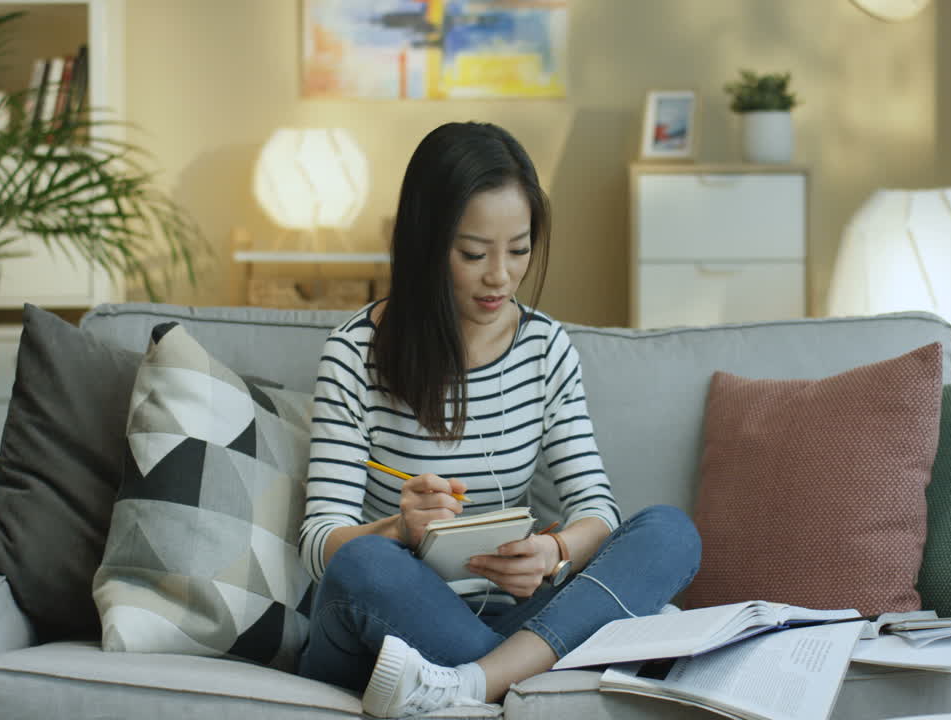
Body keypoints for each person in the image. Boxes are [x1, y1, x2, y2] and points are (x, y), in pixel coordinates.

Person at [296, 121, 701, 717]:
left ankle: (468, 688)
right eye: (472, 253)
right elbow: (318, 545)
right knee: (365, 563)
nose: (500, 277)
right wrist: (401, 531)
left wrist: (554, 552)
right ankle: (551, 667)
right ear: (426, 243)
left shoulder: (545, 349)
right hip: (380, 628)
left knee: (670, 532)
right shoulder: (354, 353)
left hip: (506, 619)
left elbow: (596, 510)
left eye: (519, 250)